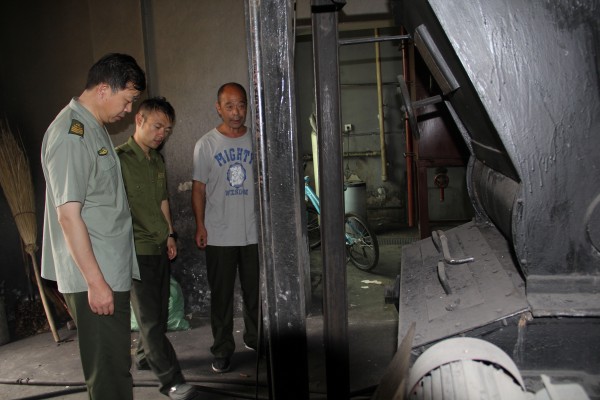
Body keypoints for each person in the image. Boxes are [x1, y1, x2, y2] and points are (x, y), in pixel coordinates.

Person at [40, 53, 145, 399]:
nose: (129, 110)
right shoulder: (71, 134)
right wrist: (96, 282)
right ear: (103, 89)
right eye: (127, 100)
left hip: (107, 269)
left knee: (115, 364)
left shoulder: (92, 128)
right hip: (95, 276)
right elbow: (68, 216)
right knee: (108, 373)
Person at [115, 97, 198, 400]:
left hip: (159, 247)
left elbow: (163, 200)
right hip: (135, 250)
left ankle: (143, 357)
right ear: (139, 120)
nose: (162, 134)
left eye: (167, 129)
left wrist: (170, 235)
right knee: (150, 321)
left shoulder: (157, 161)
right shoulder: (119, 160)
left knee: (158, 315)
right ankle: (171, 381)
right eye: (157, 126)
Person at [192, 82, 259, 373]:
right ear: (218, 108)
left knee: (255, 292)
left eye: (241, 105)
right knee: (221, 297)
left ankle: (256, 338)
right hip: (219, 233)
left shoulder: (257, 141)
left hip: (253, 232)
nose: (236, 112)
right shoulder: (206, 144)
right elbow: (198, 189)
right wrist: (200, 225)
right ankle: (222, 348)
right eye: (229, 106)